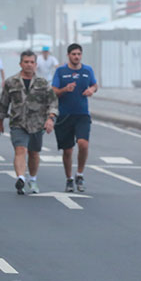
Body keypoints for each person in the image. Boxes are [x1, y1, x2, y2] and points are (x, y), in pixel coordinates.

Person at [0, 51, 58, 195]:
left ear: (36, 65)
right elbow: (4, 103)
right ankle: (21, 178)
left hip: (37, 124)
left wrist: (50, 119)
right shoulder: (11, 82)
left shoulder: (43, 83)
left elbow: (53, 101)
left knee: (34, 153)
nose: (29, 65)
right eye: (26, 62)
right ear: (20, 64)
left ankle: (33, 179)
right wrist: (0, 122)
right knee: (20, 150)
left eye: (31, 62)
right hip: (18, 123)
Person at [51, 43, 98, 193]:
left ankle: (80, 174)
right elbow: (54, 91)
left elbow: (95, 85)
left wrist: (91, 89)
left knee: (83, 144)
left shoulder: (87, 70)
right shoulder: (60, 71)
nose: (76, 57)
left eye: (79, 54)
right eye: (73, 54)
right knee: (68, 151)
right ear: (68, 55)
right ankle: (69, 179)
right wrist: (65, 89)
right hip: (64, 115)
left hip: (82, 114)